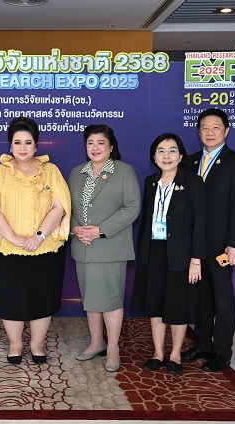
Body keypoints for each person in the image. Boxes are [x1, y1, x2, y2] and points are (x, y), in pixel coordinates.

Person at [0, 117, 71, 365]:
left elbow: (59, 206)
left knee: (43, 297)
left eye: (28, 142)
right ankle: (15, 343)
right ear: (10, 146)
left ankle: (37, 344)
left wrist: (39, 236)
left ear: (36, 145)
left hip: (45, 249)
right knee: (11, 298)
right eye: (17, 142)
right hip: (8, 250)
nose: (23, 147)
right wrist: (14, 238)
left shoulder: (51, 171)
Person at [181, 108, 235, 372]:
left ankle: (222, 350)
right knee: (201, 297)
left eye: (216, 127)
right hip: (195, 244)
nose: (210, 132)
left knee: (222, 298)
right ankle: (203, 343)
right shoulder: (189, 162)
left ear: (226, 131)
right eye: (205, 128)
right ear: (198, 132)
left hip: (222, 246)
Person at [131, 133, 206, 375]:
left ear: (181, 156)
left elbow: (200, 223)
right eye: (161, 151)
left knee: (177, 306)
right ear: (154, 157)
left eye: (172, 150)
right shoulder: (150, 182)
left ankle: (175, 354)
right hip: (154, 251)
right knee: (154, 304)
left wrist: (196, 259)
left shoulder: (193, 182)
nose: (167, 156)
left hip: (180, 254)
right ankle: (158, 353)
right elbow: (146, 221)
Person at [68, 124, 140, 372]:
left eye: (101, 143)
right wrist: (76, 228)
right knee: (90, 299)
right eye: (90, 143)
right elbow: (66, 207)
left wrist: (100, 230)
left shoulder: (124, 171)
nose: (95, 147)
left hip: (110, 247)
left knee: (110, 300)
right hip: (83, 247)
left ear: (111, 147)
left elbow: (132, 207)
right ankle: (97, 342)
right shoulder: (77, 173)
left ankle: (113, 348)